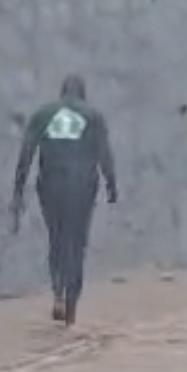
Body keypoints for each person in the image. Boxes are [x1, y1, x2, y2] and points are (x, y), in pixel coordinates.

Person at [11, 74, 119, 326]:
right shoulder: (93, 117)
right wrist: (112, 185)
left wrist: (18, 190)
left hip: (51, 185)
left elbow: (26, 154)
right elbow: (104, 154)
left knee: (56, 237)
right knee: (77, 241)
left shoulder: (42, 114)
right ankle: (71, 307)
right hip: (82, 186)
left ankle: (58, 292)